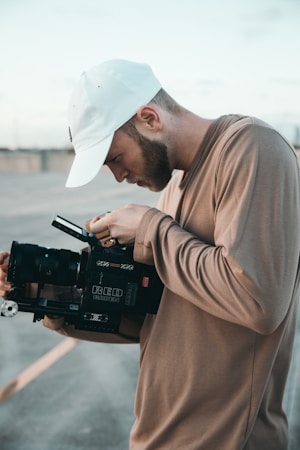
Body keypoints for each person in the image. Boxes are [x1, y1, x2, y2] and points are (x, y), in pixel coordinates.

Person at [1, 59, 300, 449]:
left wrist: (150, 230)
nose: (118, 176)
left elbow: (258, 300)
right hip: (157, 436)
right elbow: (154, 321)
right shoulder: (172, 192)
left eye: (114, 158)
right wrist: (50, 296)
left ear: (149, 119)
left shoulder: (252, 147)